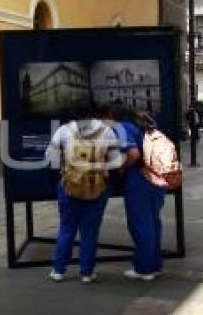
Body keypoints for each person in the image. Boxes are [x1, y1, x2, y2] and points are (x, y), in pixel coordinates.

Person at [45, 105, 120, 284]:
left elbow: (51, 159)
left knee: (66, 228)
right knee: (90, 232)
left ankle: (58, 271)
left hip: (69, 186)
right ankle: (87, 273)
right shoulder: (107, 131)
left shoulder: (63, 131)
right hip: (97, 187)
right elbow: (116, 161)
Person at [107, 105, 166, 280]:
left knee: (140, 224)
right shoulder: (146, 126)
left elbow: (132, 153)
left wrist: (121, 168)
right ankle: (155, 265)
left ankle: (144, 268)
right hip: (157, 177)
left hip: (139, 180)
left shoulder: (123, 127)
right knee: (153, 222)